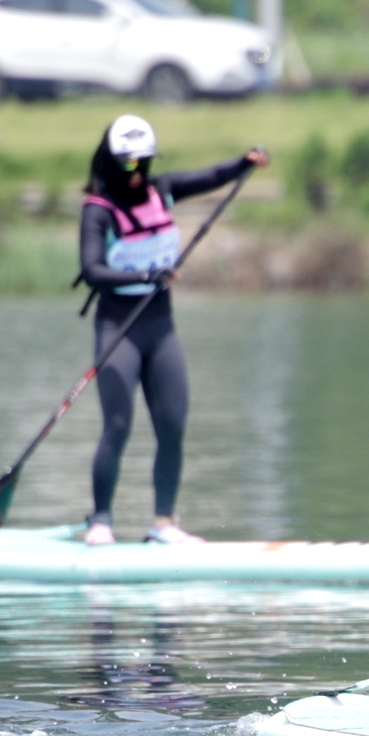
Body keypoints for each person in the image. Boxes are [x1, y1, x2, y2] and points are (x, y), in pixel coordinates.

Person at [77, 115, 269, 545]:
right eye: (129, 165)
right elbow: (91, 270)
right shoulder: (98, 209)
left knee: (172, 424)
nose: (138, 173)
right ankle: (101, 522)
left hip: (160, 329)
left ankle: (163, 524)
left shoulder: (161, 191)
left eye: (144, 164)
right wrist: (148, 274)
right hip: (118, 328)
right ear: (111, 164)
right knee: (118, 425)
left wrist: (244, 163)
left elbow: (210, 177)